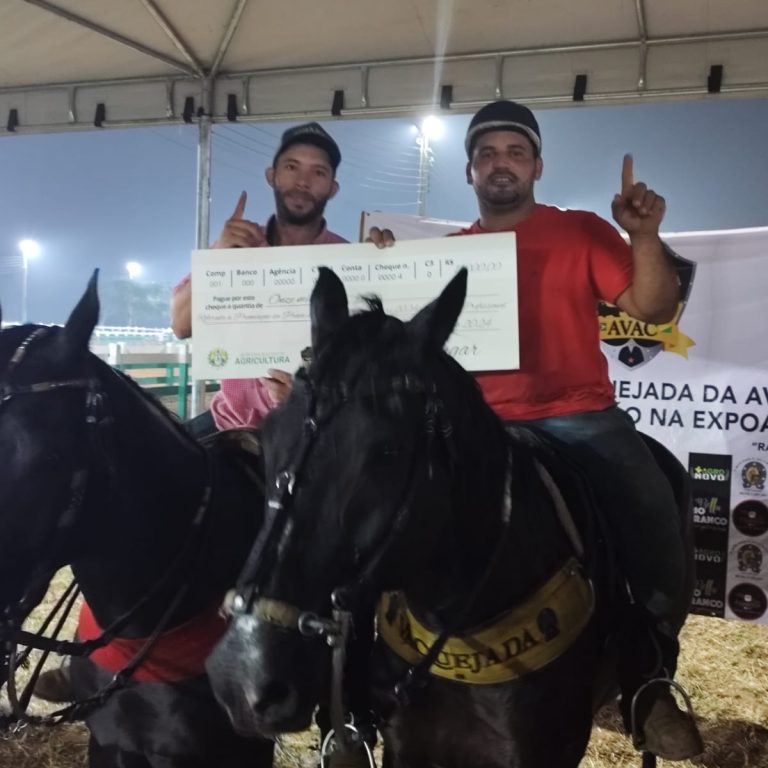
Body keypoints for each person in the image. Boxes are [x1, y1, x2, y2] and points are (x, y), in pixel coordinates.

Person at [451, 99, 702, 760]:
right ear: (469, 170)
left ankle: (649, 681)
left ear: (537, 165)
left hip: (576, 416)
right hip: (475, 427)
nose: (500, 163)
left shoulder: (581, 231)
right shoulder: (447, 255)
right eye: (487, 153)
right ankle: (358, 696)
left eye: (514, 151)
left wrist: (644, 237)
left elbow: (652, 307)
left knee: (652, 504)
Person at [171, 121, 348, 438]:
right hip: (231, 429)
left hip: (315, 435)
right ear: (272, 176)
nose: (303, 181)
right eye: (292, 167)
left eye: (318, 172)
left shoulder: (349, 260)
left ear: (332, 189)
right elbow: (181, 325)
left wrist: (307, 397)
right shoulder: (236, 244)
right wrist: (218, 257)